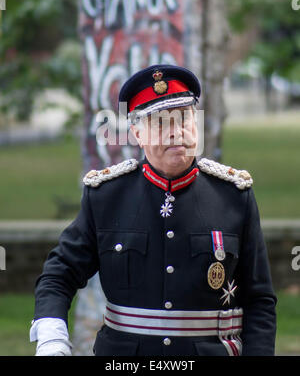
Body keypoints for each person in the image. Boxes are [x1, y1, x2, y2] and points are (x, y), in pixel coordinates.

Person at [30, 64, 277, 356]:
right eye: (161, 123)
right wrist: (51, 336)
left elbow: (259, 300)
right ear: (136, 132)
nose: (177, 132)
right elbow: (60, 273)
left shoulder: (233, 196)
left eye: (184, 118)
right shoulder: (107, 196)